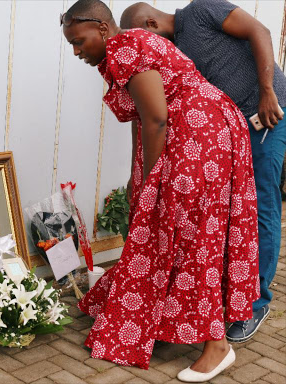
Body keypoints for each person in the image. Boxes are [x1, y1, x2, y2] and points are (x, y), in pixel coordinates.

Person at [61, 0, 259, 381]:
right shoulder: (126, 49)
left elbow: (156, 118)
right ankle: (169, 321)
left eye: (78, 40)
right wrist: (142, 178)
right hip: (206, 129)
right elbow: (145, 117)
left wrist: (153, 181)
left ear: (102, 29)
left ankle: (217, 347)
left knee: (193, 234)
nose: (76, 50)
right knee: (192, 230)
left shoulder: (128, 48)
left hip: (197, 135)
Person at [120, 0, 286, 344]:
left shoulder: (200, 11)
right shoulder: (174, 52)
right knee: (233, 214)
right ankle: (233, 298)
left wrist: (268, 93)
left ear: (151, 23)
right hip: (232, 128)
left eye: (143, 38)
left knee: (261, 208)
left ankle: (257, 304)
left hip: (267, 114)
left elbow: (261, 31)